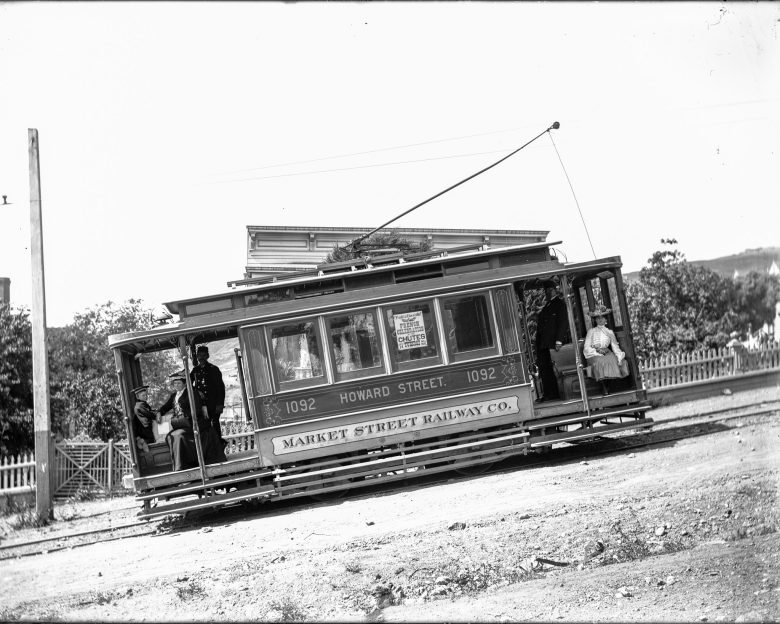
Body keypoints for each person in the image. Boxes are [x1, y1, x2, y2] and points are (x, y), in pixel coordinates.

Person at [157, 371, 225, 471]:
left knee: (178, 436)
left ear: (184, 383)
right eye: (175, 383)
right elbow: (165, 407)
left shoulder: (192, 393)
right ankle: (181, 465)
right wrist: (159, 412)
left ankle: (183, 467)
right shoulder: (174, 396)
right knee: (169, 436)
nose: (176, 385)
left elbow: (196, 410)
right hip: (182, 424)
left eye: (179, 383)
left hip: (194, 423)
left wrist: (177, 420)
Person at [534, 279, 570, 401]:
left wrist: (559, 340)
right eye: (546, 291)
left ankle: (553, 394)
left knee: (552, 370)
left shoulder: (560, 305)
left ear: (555, 290)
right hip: (544, 343)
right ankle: (548, 393)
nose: (548, 293)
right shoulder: (548, 305)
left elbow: (563, 323)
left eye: (550, 290)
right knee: (545, 369)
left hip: (553, 344)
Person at [583, 304, 628, 395]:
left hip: (607, 352)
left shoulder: (609, 332)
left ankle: (608, 386)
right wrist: (596, 351)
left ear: (605, 319)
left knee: (614, 361)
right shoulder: (591, 331)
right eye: (598, 318)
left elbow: (615, 346)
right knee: (599, 362)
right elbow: (587, 346)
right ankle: (603, 387)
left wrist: (619, 356)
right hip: (594, 353)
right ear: (595, 320)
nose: (600, 319)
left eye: (602, 318)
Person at [190, 345, 226, 444]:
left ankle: (219, 447)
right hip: (201, 405)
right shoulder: (195, 370)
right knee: (204, 427)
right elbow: (188, 384)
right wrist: (196, 391)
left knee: (215, 425)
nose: (201, 358)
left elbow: (220, 388)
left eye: (203, 355)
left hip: (213, 404)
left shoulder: (214, 369)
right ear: (197, 357)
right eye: (199, 355)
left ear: (207, 356)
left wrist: (220, 405)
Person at [132, 385, 157, 453]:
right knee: (152, 439)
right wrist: (157, 413)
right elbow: (149, 414)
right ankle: (142, 441)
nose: (146, 397)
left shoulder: (142, 404)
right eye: (143, 395)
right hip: (144, 428)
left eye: (146, 395)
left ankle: (142, 441)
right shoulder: (140, 405)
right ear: (138, 397)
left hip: (144, 427)